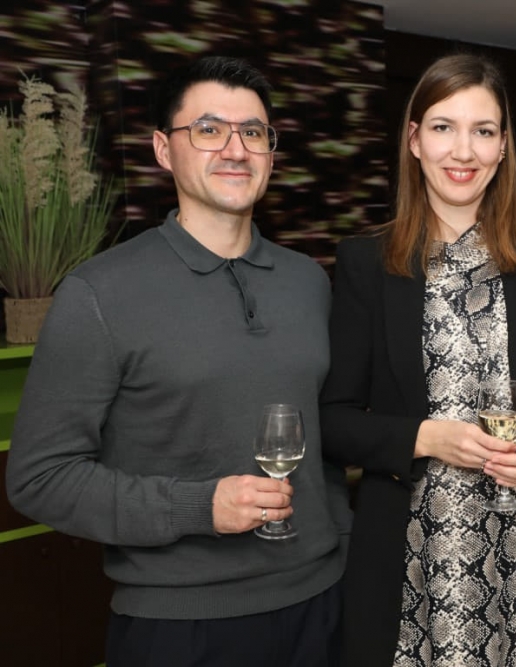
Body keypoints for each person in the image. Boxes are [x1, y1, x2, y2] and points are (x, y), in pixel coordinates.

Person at [5, 56, 350, 666]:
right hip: (180, 625)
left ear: (271, 152)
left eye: (253, 132)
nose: (236, 150)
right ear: (164, 150)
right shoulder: (98, 293)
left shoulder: (309, 283)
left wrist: (342, 538)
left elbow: (328, 436)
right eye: (209, 129)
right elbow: (41, 478)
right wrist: (199, 507)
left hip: (321, 604)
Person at [321, 53, 516, 666]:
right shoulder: (366, 261)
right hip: (411, 561)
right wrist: (424, 437)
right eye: (443, 127)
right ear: (414, 139)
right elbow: (333, 418)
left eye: (483, 131)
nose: (463, 151)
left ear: (503, 145)